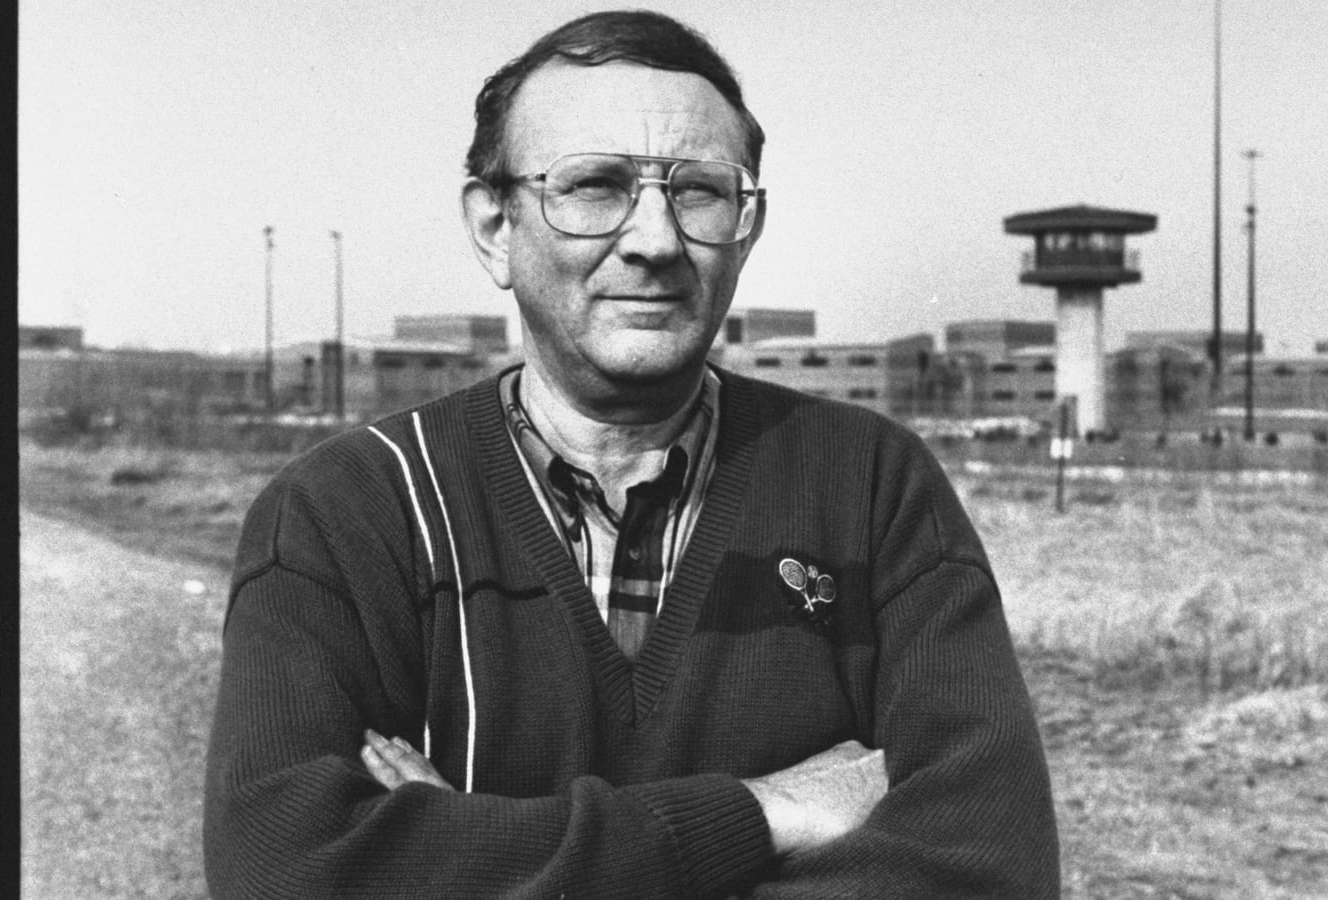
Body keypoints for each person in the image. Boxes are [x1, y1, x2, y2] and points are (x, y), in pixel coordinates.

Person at [203, 10, 1059, 898]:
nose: (654, 241)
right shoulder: (347, 511)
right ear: (496, 227)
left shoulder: (872, 487)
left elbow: (990, 867)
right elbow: (286, 871)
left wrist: (470, 858)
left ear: (747, 226)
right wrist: (760, 817)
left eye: (699, 192)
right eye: (594, 186)